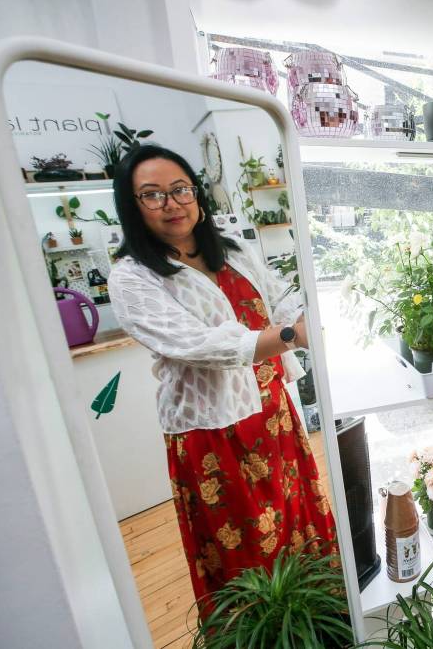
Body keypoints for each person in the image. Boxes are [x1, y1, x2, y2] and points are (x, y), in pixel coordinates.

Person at [108, 145, 337, 607]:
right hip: (213, 432)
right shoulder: (132, 278)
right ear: (132, 207)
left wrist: (302, 316)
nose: (172, 203)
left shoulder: (232, 251)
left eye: (180, 189)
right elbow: (200, 346)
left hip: (273, 414)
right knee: (245, 548)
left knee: (297, 520)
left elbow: (280, 297)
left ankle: (324, 622)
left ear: (197, 194)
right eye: (152, 194)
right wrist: (292, 335)